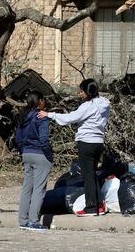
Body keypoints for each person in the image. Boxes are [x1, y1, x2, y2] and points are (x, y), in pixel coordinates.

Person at [39, 78, 110, 216]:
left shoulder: (87, 106)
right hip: (98, 142)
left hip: (86, 143)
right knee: (92, 173)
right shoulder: (104, 103)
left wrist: (50, 115)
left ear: (87, 92)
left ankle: (91, 207)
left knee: (87, 176)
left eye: (81, 91)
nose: (80, 94)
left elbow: (71, 118)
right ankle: (99, 204)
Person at [16, 90, 53, 231]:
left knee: (27, 188)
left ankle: (23, 220)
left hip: (26, 153)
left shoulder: (23, 116)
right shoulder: (41, 117)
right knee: (39, 189)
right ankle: (33, 221)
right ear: (40, 101)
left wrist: (23, 151)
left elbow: (18, 138)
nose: (45, 102)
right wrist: (49, 153)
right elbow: (44, 139)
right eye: (43, 99)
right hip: (40, 154)